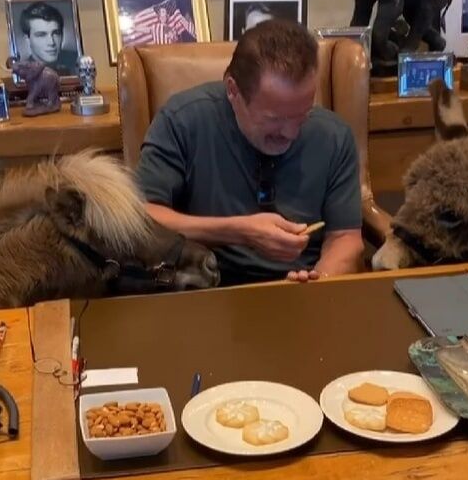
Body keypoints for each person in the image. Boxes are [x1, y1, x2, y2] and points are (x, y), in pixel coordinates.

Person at [136, 19, 364, 287]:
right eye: (275, 119)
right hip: (207, 287)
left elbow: (345, 238)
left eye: (302, 115)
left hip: (303, 288)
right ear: (233, 90)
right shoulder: (182, 120)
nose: (291, 133)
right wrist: (239, 231)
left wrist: (318, 282)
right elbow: (143, 218)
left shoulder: (333, 136)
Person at [19, 1, 78, 76]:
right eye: (41, 35)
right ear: (27, 39)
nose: (51, 42)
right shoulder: (23, 72)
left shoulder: (76, 61)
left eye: (56, 33)